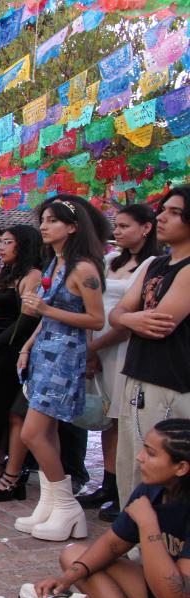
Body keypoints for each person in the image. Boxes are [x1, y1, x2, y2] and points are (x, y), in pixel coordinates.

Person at [14, 195, 106, 542]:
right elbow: (44, 312)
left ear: (72, 227)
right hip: (45, 353)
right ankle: (52, 505)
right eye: (44, 219)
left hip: (66, 358)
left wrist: (45, 311)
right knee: (45, 432)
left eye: (53, 220)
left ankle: (67, 507)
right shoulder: (55, 263)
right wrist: (28, 344)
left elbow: (96, 319)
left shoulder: (84, 268)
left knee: (31, 433)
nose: (44, 225)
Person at [34, 418, 190, 598]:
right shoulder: (151, 490)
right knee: (73, 555)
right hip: (159, 583)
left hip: (176, 592)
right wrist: (66, 579)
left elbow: (178, 595)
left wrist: (148, 525)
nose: (140, 457)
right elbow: (112, 545)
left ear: (181, 467)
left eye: (151, 453)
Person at [80, 204, 162, 521]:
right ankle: (108, 483)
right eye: (117, 225)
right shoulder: (109, 260)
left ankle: (124, 489)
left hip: (123, 346)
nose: (119, 231)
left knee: (122, 419)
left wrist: (98, 345)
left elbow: (129, 316)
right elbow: (93, 304)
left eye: (126, 226)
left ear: (146, 228)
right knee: (106, 418)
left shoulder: (153, 266)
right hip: (97, 345)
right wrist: (90, 346)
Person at [111, 187, 190, 506]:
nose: (161, 217)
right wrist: (130, 319)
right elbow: (119, 313)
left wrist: (128, 318)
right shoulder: (155, 264)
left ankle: (156, 543)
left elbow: (160, 324)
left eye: (173, 211)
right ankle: (135, 539)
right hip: (137, 373)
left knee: (161, 472)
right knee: (132, 463)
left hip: (169, 380)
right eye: (163, 209)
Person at [0, 225, 43, 502]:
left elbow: (25, 321)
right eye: (0, 242)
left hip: (13, 350)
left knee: (10, 412)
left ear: (24, 245)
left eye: (8, 242)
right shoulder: (6, 274)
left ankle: (13, 473)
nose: (1, 247)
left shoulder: (33, 275)